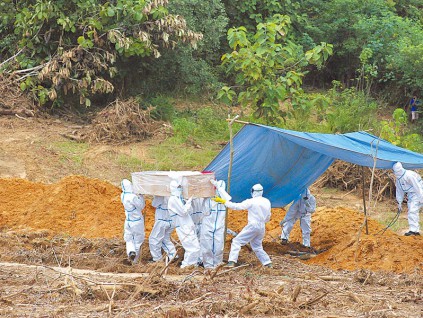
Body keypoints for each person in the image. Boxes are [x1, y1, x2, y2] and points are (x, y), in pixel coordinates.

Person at [213, 184, 272, 268]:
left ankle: (232, 261)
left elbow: (237, 206)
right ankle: (267, 263)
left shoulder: (251, 201)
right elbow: (268, 216)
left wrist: (224, 201)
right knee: (257, 246)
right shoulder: (267, 201)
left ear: (253, 191)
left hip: (253, 225)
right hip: (262, 226)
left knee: (237, 241)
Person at [167, 180, 201, 268]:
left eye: (180, 188)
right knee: (192, 248)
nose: (180, 190)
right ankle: (187, 266)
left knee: (195, 247)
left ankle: (191, 264)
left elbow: (188, 211)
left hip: (187, 226)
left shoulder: (179, 199)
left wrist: (187, 202)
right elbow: (183, 211)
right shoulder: (173, 199)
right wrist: (189, 202)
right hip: (183, 227)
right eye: (178, 188)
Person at [200, 179, 231, 269]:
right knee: (207, 247)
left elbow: (228, 198)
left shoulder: (224, 200)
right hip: (207, 225)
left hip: (219, 225)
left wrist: (219, 187)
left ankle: (217, 265)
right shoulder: (207, 198)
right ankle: (208, 266)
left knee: (218, 247)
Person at [392, 162, 423, 236]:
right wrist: (399, 202)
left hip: (417, 193)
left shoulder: (409, 175)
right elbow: (399, 191)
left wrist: (421, 197)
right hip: (411, 195)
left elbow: (417, 187)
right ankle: (414, 230)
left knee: (413, 210)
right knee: (411, 210)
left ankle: (414, 230)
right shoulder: (399, 179)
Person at [121, 179, 145, 263]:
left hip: (128, 221)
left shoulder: (123, 195)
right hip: (136, 221)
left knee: (128, 239)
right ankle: (135, 261)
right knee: (138, 240)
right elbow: (141, 206)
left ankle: (131, 251)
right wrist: (141, 196)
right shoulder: (132, 197)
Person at [148, 196, 177, 262]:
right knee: (165, 239)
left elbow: (154, 204)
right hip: (171, 220)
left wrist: (156, 195)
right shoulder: (174, 195)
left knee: (154, 240)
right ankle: (173, 255)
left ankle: (157, 259)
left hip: (162, 221)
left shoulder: (160, 195)